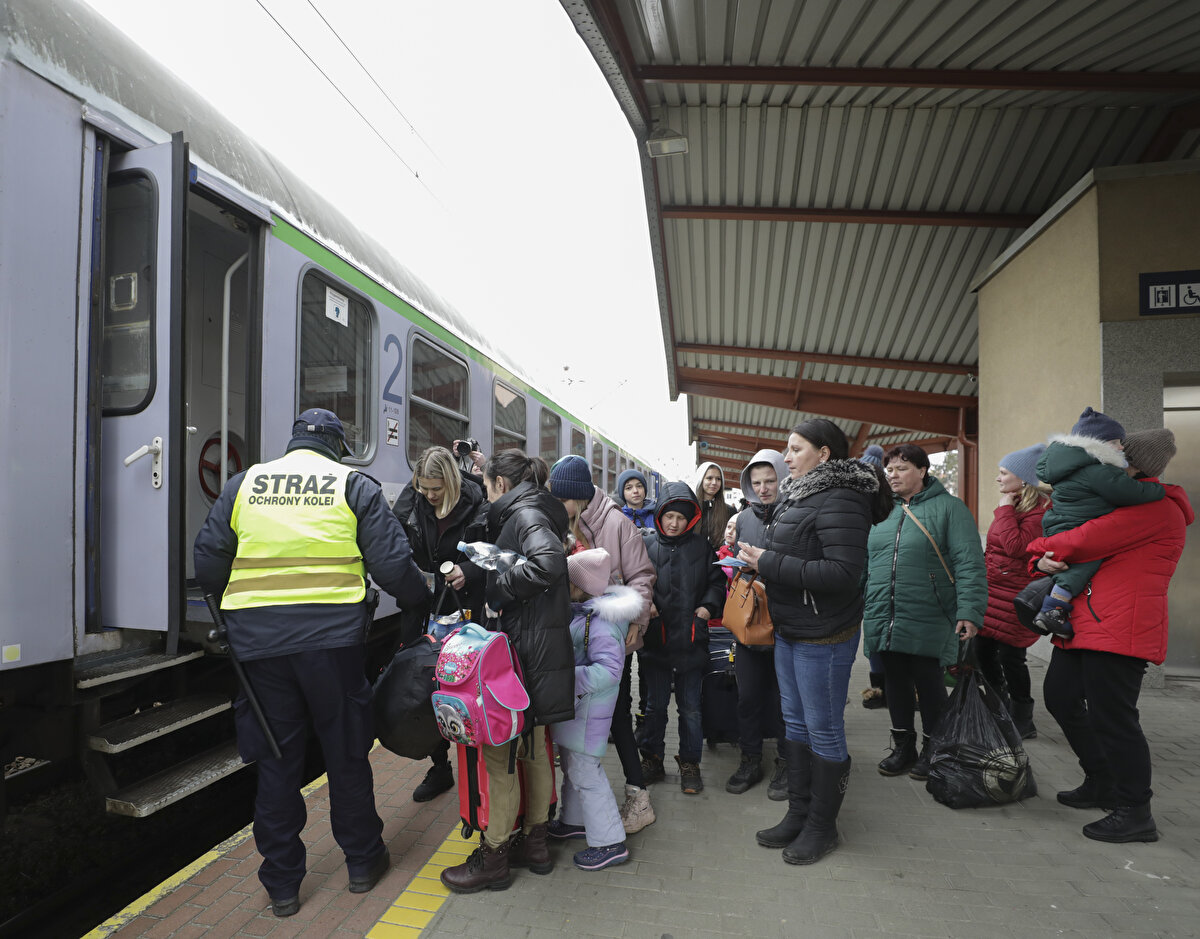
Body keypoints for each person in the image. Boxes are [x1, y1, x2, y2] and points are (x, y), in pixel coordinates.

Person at [193, 408, 428, 918]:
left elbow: (208, 559)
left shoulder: (244, 484)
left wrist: (238, 609)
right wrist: (419, 601)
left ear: (293, 441)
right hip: (332, 647)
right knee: (345, 754)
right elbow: (391, 565)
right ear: (337, 446)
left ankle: (282, 886)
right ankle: (364, 862)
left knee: (276, 761)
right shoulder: (353, 486)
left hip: (258, 650)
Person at [737, 421, 887, 865]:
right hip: (791, 627)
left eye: (795, 448)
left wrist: (769, 561)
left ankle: (823, 827)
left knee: (823, 730)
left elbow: (842, 575)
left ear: (823, 455)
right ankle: (798, 814)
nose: (786, 456)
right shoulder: (799, 494)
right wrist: (755, 559)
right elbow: (799, 553)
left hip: (825, 634)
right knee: (796, 725)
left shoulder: (843, 498)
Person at [1030, 428, 1191, 844]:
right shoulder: (1112, 499)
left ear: (1132, 465)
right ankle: (1101, 780)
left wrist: (1039, 549)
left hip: (1122, 626)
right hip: (1088, 620)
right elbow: (1076, 546)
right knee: (1061, 698)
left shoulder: (1156, 507)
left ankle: (1134, 810)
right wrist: (1044, 563)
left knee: (1114, 718)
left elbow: (1086, 539)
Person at [440, 450, 574, 893]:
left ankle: (495, 855)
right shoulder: (537, 511)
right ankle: (535, 844)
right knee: (533, 749)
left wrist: (499, 590)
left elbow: (547, 565)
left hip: (521, 653)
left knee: (499, 756)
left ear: (499, 482)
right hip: (538, 650)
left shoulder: (526, 513)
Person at [862, 443, 986, 781]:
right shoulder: (881, 511)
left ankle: (935, 747)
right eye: (889, 469)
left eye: (901, 468)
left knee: (928, 679)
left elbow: (969, 563)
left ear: (922, 471)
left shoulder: (950, 509)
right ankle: (904, 746)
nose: (893, 474)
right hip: (883, 609)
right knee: (894, 680)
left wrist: (970, 611)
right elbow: (866, 562)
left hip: (929, 610)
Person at [547, 455, 657, 832]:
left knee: (620, 715)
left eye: (563, 501)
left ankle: (638, 796)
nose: (559, 507)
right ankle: (578, 808)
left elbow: (642, 575)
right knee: (591, 717)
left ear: (577, 497)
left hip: (610, 630)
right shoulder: (568, 521)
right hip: (579, 630)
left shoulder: (617, 523)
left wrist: (637, 620)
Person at [392, 445, 488, 801]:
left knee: (463, 687)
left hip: (465, 608)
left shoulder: (477, 503)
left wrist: (470, 571)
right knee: (424, 685)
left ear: (450, 481)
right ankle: (440, 765)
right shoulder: (414, 501)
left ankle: (474, 766)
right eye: (424, 488)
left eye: (437, 488)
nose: (430, 495)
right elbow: (393, 533)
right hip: (422, 606)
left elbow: (493, 554)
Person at [1032, 407, 1165, 638]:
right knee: (1085, 562)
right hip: (1076, 525)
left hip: (1061, 522)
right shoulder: (1097, 470)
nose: (1121, 447)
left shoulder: (1073, 466)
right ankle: (1052, 609)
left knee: (1073, 563)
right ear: (1097, 444)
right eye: (1116, 442)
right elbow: (1129, 492)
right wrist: (1157, 489)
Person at [548, 548, 642, 870]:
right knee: (575, 767)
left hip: (588, 711)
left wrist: (565, 677)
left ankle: (609, 842)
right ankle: (574, 821)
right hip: (580, 708)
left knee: (587, 773)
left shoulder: (599, 623)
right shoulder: (585, 614)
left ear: (580, 587)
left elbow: (609, 672)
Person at [639, 483, 726, 794]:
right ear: (660, 515)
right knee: (654, 707)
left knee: (691, 708)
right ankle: (651, 759)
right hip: (656, 642)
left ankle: (690, 762)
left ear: (690, 520)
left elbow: (717, 584)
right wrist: (644, 602)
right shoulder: (646, 546)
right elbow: (633, 580)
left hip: (691, 642)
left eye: (680, 517)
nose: (673, 523)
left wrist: (705, 609)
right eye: (668, 516)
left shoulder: (702, 548)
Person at [723, 449, 789, 799]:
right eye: (757, 482)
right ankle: (750, 758)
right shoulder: (744, 518)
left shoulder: (795, 514)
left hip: (785, 625)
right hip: (750, 623)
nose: (763, 489)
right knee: (747, 697)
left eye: (770, 481)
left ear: (783, 478)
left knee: (783, 700)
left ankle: (786, 761)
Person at [978, 443, 1050, 739]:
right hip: (992, 592)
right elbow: (993, 548)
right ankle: (998, 706)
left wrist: (1005, 509)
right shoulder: (1015, 507)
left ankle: (1023, 716)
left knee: (1012, 659)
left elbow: (1016, 547)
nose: (998, 478)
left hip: (1016, 597)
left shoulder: (1039, 513)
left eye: (1004, 472)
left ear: (1024, 479)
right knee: (982, 653)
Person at [856, 446, 889, 711]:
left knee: (880, 636)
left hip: (880, 585)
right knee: (875, 637)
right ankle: (880, 690)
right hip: (867, 585)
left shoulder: (886, 510)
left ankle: (885, 690)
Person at [692, 460, 733, 550]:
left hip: (719, 561)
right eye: (709, 478)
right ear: (700, 480)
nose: (714, 482)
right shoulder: (690, 509)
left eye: (718, 479)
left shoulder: (729, 511)